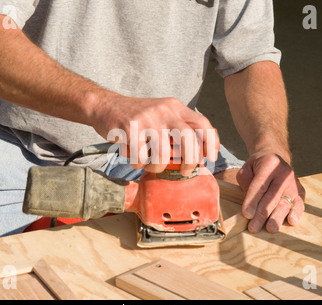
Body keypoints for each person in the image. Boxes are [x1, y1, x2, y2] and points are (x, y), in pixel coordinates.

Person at [0, 0, 305, 237]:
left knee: (265, 220)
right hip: (22, 144)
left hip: (168, 152)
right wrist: (102, 105)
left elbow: (248, 60)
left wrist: (269, 147)